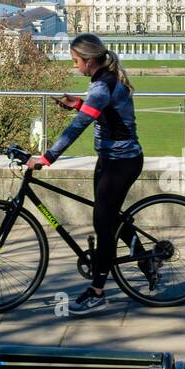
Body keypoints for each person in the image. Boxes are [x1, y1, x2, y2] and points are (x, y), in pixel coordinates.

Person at [27, 32, 143, 316]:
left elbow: (78, 127)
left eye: (76, 61)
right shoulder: (100, 82)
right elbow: (104, 114)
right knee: (107, 215)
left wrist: (47, 157)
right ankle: (141, 254)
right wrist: (78, 103)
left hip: (122, 162)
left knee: (103, 226)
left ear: (90, 61)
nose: (75, 66)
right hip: (108, 159)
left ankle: (98, 291)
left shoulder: (102, 87)